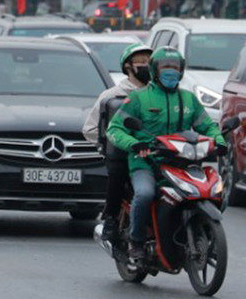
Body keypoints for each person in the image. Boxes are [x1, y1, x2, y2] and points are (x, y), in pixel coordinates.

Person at [107, 46, 226, 261]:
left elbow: (207, 126)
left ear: (181, 71)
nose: (171, 71)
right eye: (165, 67)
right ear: (154, 70)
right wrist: (134, 144)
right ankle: (136, 241)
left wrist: (219, 141)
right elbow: (114, 129)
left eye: (175, 67)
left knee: (215, 191)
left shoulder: (189, 100)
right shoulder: (138, 98)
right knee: (144, 195)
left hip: (183, 162)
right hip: (146, 162)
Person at [82, 43, 152, 240]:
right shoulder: (111, 96)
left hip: (153, 153)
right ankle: (111, 219)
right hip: (122, 155)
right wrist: (109, 145)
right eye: (142, 62)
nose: (147, 66)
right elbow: (89, 129)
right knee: (118, 174)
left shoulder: (157, 95)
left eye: (150, 61)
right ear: (128, 67)